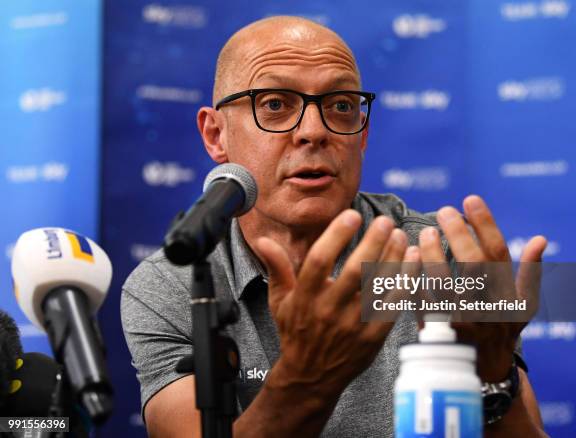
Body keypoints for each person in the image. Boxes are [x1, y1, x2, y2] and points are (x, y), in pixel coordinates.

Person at [121, 16, 548, 437]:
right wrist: (308, 377)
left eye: (341, 106)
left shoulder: (440, 254)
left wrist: (493, 378)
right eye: (274, 103)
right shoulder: (171, 284)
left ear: (360, 137)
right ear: (216, 135)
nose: (313, 131)